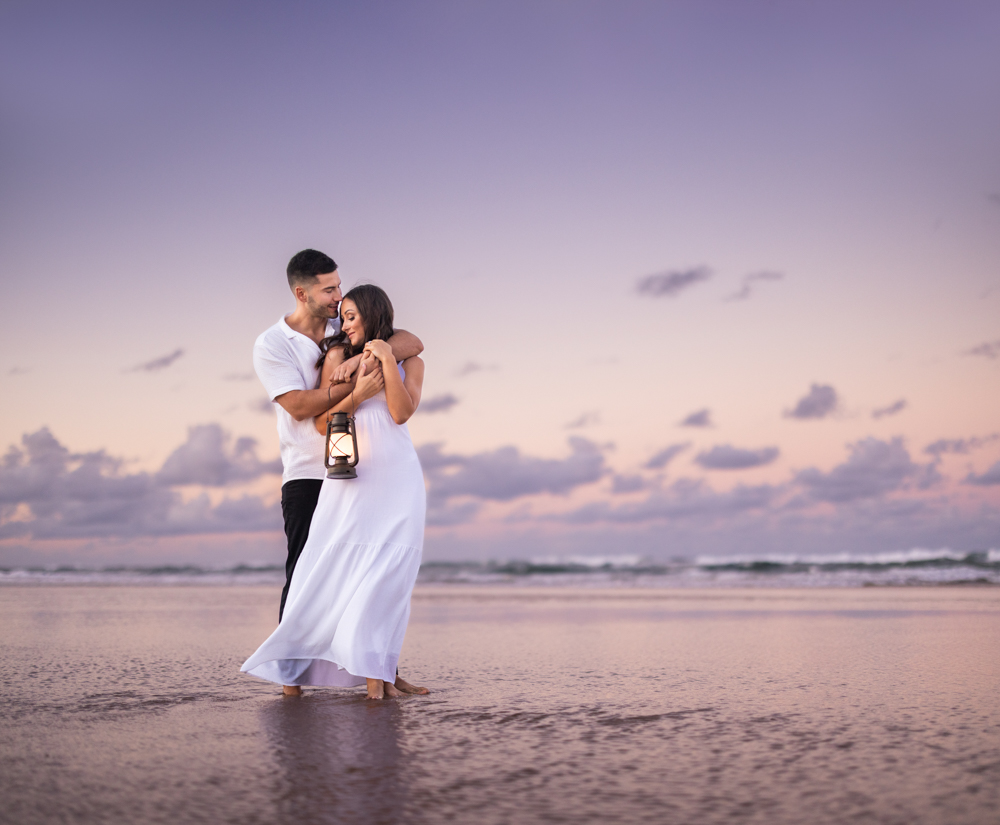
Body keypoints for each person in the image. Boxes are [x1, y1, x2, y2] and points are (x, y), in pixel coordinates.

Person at [242, 284, 428, 700]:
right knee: (324, 569)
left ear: (374, 314)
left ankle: (379, 674)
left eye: (351, 315)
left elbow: (400, 412)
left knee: (389, 574)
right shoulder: (335, 356)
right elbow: (325, 424)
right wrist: (359, 394)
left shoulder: (408, 358)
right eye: (340, 314)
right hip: (350, 475)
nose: (343, 321)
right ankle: (293, 677)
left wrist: (380, 354)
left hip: (398, 474)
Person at [252, 250, 423, 621]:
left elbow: (411, 342)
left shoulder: (342, 330)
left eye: (339, 286)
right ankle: (290, 675)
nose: (338, 296)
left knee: (366, 572)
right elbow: (298, 405)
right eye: (330, 289)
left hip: (357, 472)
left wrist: (359, 358)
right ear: (302, 294)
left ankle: (380, 673)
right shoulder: (272, 344)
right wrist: (352, 389)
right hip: (308, 472)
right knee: (303, 573)